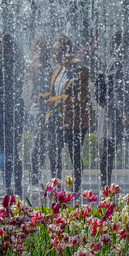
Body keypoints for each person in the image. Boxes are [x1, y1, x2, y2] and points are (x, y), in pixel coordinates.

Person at [41, 35, 93, 195]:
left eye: (58, 56)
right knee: (53, 152)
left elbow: (77, 98)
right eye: (54, 56)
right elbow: (55, 92)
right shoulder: (59, 70)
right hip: (58, 119)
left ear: (67, 53)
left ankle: (76, 189)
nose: (56, 59)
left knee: (75, 154)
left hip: (76, 121)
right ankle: (56, 186)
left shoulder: (81, 70)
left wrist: (54, 99)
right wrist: (44, 96)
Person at [0, 33, 25, 197]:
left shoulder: (3, 65)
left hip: (3, 106)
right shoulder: (19, 62)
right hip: (17, 105)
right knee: (14, 149)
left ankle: (7, 187)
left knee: (4, 149)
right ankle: (18, 186)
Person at [97, 31, 129, 188]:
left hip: (111, 112)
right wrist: (124, 114)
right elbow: (118, 90)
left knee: (109, 150)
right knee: (108, 150)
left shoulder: (114, 61)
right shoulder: (118, 63)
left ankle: (105, 184)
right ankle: (104, 186)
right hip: (113, 114)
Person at [24, 38, 53, 193]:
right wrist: (41, 98)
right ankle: (34, 180)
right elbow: (32, 91)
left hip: (45, 109)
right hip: (40, 110)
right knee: (39, 145)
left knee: (43, 145)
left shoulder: (45, 66)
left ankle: (37, 179)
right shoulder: (37, 67)